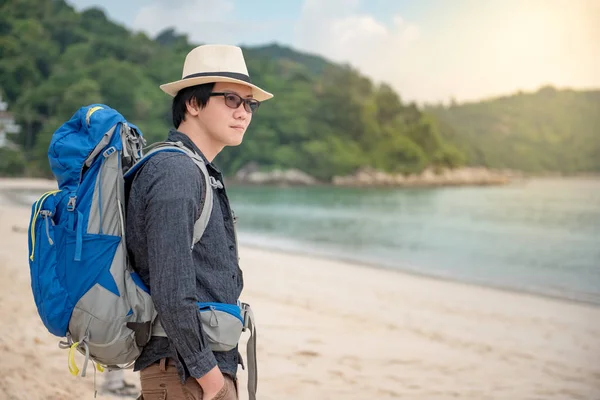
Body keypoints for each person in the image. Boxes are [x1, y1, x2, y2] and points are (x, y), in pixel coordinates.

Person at [125, 44, 272, 400]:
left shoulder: (194, 170)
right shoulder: (175, 172)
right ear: (193, 103)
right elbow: (171, 286)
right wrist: (210, 378)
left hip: (190, 372)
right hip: (185, 375)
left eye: (249, 103)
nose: (244, 113)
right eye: (231, 100)